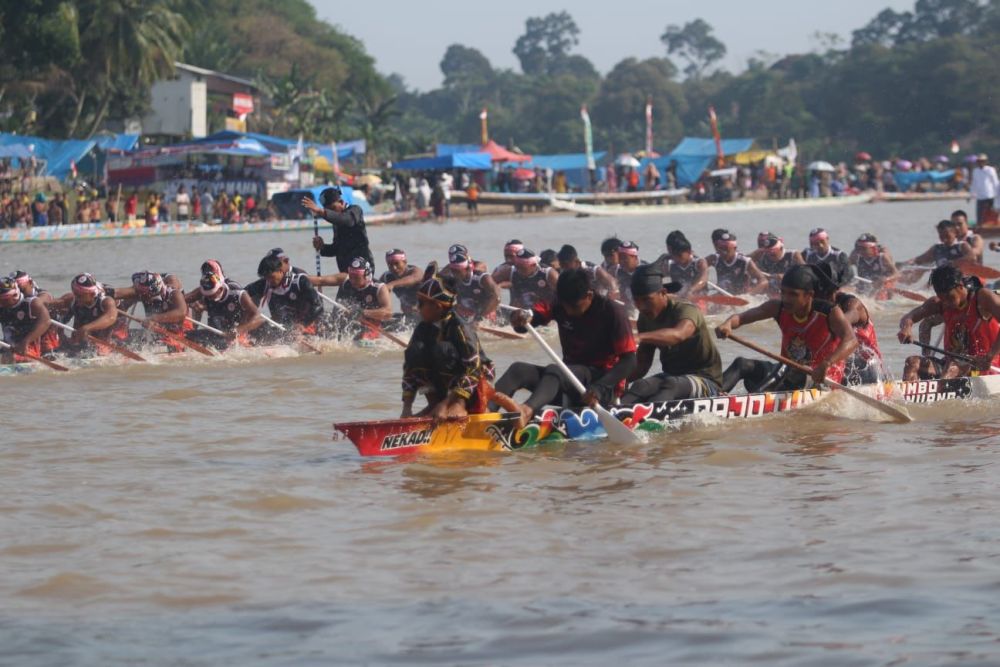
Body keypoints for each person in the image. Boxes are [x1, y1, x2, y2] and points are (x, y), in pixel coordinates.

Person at [495, 268, 637, 428]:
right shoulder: (559, 303)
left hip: (600, 387)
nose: (569, 311)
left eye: (575, 307)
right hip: (568, 380)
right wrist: (519, 319)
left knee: (557, 370)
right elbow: (531, 319)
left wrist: (600, 387)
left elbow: (630, 361)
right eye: (565, 306)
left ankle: (526, 412)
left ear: (589, 296)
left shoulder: (613, 312)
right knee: (518, 370)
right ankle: (483, 412)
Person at [715, 265, 858, 392]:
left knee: (787, 368)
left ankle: (756, 398)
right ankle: (711, 396)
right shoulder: (777, 307)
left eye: (793, 294)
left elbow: (851, 341)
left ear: (809, 296)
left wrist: (826, 364)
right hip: (785, 374)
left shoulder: (829, 312)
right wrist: (727, 324)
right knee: (742, 364)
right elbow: (740, 318)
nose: (786, 299)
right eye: (783, 292)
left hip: (821, 378)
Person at [401, 269, 497, 420]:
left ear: (438, 307)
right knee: (415, 351)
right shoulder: (422, 327)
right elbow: (409, 368)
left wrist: (452, 402)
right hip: (445, 380)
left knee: (442, 350)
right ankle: (434, 404)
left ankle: (459, 404)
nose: (417, 308)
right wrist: (407, 408)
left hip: (477, 376)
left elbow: (473, 369)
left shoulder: (460, 328)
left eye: (421, 303)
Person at [620, 266, 723, 405]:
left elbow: (679, 334)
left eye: (646, 300)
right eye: (636, 301)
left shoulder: (686, 309)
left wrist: (639, 337)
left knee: (672, 384)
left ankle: (646, 422)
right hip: (672, 376)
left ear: (663, 293)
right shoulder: (644, 319)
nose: (641, 307)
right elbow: (643, 365)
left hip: (706, 380)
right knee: (641, 386)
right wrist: (618, 380)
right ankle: (613, 412)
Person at [897, 266, 1000, 380]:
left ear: (960, 287)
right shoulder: (940, 303)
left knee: (953, 367)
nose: (946, 303)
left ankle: (939, 390)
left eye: (949, 297)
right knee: (912, 363)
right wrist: (905, 329)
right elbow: (909, 317)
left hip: (985, 366)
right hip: (951, 365)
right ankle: (906, 396)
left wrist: (990, 356)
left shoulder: (982, 297)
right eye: (942, 298)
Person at [812, 263, 885, 385]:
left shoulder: (853, 304)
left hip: (866, 364)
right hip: (836, 362)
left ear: (831, 291)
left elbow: (849, 317)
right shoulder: (817, 305)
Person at [303, 187, 374, 273]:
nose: (332, 212)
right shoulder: (336, 222)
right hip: (346, 271)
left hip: (362, 271)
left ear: (341, 202)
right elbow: (337, 249)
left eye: (333, 208)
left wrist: (320, 211)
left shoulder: (355, 210)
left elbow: (347, 220)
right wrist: (322, 247)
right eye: (329, 210)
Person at [187, 272, 264, 350]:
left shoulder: (238, 294)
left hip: (237, 335)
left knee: (220, 342)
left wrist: (237, 330)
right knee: (187, 335)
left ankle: (245, 343)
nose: (209, 298)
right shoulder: (204, 290)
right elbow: (183, 299)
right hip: (216, 333)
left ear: (220, 289)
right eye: (207, 296)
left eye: (211, 295)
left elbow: (258, 318)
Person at [255, 253, 325, 335]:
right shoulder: (269, 288)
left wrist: (303, 324)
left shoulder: (300, 281)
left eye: (271, 277)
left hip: (310, 323)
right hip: (293, 328)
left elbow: (319, 306)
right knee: (261, 326)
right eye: (266, 278)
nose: (269, 281)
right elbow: (278, 318)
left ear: (280, 271)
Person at [60, 273, 123, 354]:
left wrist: (88, 327)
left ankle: (103, 348)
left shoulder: (106, 301)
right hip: (88, 330)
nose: (76, 298)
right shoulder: (74, 301)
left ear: (92, 294)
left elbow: (111, 317)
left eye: (80, 295)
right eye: (75, 294)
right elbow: (58, 317)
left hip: (110, 332)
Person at [332, 258, 393, 338]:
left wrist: (361, 312)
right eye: (351, 277)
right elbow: (320, 281)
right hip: (351, 324)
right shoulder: (345, 280)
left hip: (372, 326)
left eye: (356, 278)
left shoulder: (380, 288)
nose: (353, 281)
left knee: (361, 337)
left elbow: (388, 313)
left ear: (366, 276)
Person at [0, 275, 52, 359]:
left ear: (15, 295)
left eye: (3, 300)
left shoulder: (32, 303)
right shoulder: (2, 306)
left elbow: (46, 321)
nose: (1, 303)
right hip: (9, 346)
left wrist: (26, 341)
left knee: (12, 357)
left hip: (29, 345)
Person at [446, 248, 500, 322]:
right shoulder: (453, 279)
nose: (454, 273)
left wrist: (479, 317)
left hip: (485, 314)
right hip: (464, 312)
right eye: (452, 270)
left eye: (457, 271)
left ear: (467, 269)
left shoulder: (483, 278)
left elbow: (496, 296)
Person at [905, 219, 974, 268]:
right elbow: (921, 259)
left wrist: (953, 263)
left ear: (955, 233)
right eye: (941, 236)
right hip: (943, 279)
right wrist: (907, 263)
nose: (944, 239)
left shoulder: (962, 246)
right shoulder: (936, 248)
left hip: (961, 278)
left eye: (947, 236)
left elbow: (972, 257)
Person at [379, 248, 422, 324]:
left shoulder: (415, 271)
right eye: (390, 265)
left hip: (423, 315)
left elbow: (413, 278)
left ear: (405, 262)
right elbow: (375, 289)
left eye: (397, 263)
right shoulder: (386, 277)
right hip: (406, 315)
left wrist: (392, 284)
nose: (394, 268)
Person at [970, 154, 999, 225]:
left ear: (985, 161)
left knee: (992, 213)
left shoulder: (990, 170)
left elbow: (995, 182)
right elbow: (974, 183)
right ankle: (980, 226)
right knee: (979, 215)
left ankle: (993, 225)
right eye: (979, 161)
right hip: (980, 197)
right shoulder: (975, 171)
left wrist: (998, 195)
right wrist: (971, 194)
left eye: (982, 161)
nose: (980, 163)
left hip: (990, 195)